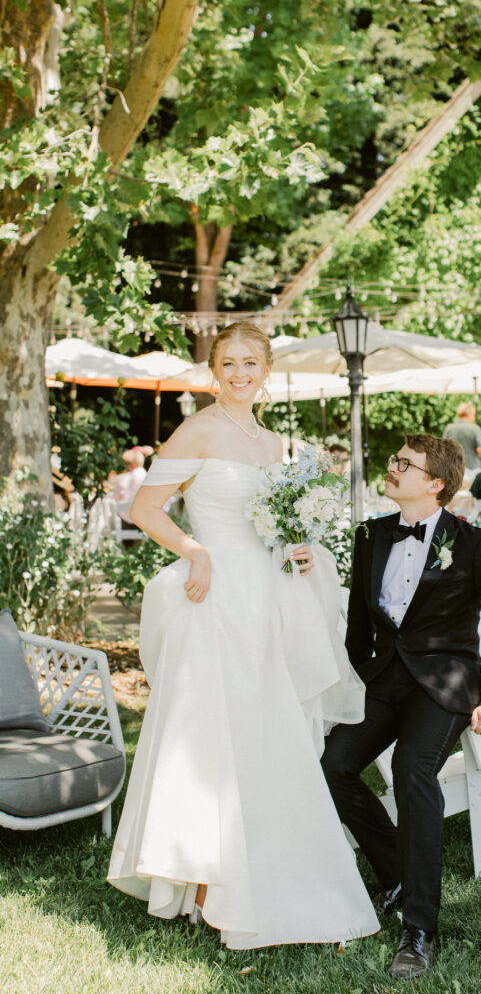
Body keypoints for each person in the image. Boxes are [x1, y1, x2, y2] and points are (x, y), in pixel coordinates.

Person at [107, 322, 379, 949]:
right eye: (227, 362)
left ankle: (259, 865)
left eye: (249, 362)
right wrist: (193, 550)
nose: (238, 373)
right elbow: (145, 508)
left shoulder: (273, 442)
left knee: (265, 733)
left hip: (270, 597)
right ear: (213, 370)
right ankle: (208, 880)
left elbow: (274, 527)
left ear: (266, 370)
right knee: (213, 735)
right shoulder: (198, 429)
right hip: (217, 600)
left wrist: (301, 549)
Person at [321, 434, 481, 980]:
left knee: (411, 769)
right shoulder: (370, 535)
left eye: (404, 464)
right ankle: (397, 873)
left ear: (435, 483)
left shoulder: (471, 545)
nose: (392, 468)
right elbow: (356, 626)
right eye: (394, 459)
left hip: (444, 688)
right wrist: (357, 677)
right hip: (382, 682)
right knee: (332, 766)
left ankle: (419, 928)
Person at [442, 402, 481, 485]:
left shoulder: (449, 428)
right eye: (474, 415)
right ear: (469, 414)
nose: (474, 417)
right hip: (472, 470)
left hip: (453, 470)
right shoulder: (475, 428)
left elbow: (443, 449)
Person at [111, 447, 148, 524]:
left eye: (125, 464)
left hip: (128, 520)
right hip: (146, 519)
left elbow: (115, 498)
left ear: (132, 465)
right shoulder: (148, 477)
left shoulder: (124, 478)